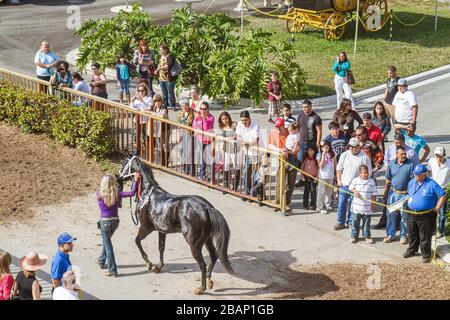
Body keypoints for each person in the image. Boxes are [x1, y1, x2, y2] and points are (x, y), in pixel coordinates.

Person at [97, 173, 140, 276]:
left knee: (108, 246)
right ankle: (102, 260)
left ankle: (112, 270)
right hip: (115, 222)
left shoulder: (99, 194)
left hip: (105, 222)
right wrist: (135, 180)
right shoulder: (118, 193)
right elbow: (132, 193)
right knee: (106, 242)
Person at [403, 164, 447, 263]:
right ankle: (412, 250)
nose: (416, 176)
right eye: (415, 174)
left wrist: (437, 208)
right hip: (411, 213)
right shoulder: (411, 182)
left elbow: (443, 195)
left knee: (425, 236)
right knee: (412, 234)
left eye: (418, 175)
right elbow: (409, 194)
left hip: (426, 215)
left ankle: (426, 254)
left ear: (424, 174)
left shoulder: (431, 184)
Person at [335, 137, 372, 230]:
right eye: (350, 146)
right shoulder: (344, 155)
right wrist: (339, 181)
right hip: (345, 185)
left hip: (357, 187)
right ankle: (340, 222)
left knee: (353, 206)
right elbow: (339, 169)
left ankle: (351, 222)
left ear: (359, 146)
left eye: (354, 146)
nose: (352, 148)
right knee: (341, 204)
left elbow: (369, 172)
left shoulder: (364, 157)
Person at [383, 146, 415, 244]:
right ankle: (390, 234)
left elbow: (413, 181)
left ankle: (403, 236)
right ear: (396, 154)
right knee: (390, 215)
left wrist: (412, 194)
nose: (404, 155)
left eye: (405, 154)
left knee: (404, 217)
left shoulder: (410, 164)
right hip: (392, 194)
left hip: (405, 195)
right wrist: (385, 192)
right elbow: (388, 179)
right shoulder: (391, 164)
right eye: (402, 154)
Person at [296, 99, 322, 188]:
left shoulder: (316, 117)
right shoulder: (300, 116)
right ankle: (302, 178)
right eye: (303, 107)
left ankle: (315, 179)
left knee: (313, 162)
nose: (304, 109)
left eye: (306, 107)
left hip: (312, 144)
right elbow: (298, 128)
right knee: (300, 161)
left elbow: (319, 131)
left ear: (310, 107)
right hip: (302, 143)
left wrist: (317, 143)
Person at [349, 165, 377, 244]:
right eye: (364, 173)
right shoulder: (356, 180)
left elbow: (374, 194)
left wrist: (373, 203)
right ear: (360, 174)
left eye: (367, 173)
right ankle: (354, 236)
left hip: (367, 208)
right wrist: (355, 191)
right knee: (355, 222)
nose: (366, 175)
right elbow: (350, 187)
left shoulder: (371, 181)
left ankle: (367, 236)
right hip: (356, 207)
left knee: (366, 223)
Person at [235, 111, 260, 196]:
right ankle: (247, 191)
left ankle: (255, 191)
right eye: (242, 120)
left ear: (249, 119)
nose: (243, 122)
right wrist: (240, 140)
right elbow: (238, 136)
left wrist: (246, 143)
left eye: (245, 120)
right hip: (246, 152)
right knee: (246, 173)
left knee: (256, 174)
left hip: (256, 153)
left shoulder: (255, 126)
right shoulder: (239, 124)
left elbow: (255, 141)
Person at [428, 147, 450, 238]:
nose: (438, 158)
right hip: (432, 190)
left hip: (443, 190)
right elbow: (428, 173)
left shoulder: (449, 163)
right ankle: (432, 229)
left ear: (444, 155)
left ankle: (440, 230)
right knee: (432, 211)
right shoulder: (431, 161)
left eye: (440, 156)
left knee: (442, 213)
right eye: (437, 155)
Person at [192, 102, 215, 181]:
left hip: (208, 141)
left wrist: (203, 118)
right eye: (201, 109)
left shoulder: (211, 117)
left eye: (204, 109)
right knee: (201, 159)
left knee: (208, 159)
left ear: (208, 109)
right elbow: (194, 126)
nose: (202, 111)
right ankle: (203, 175)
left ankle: (211, 176)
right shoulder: (198, 116)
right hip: (200, 139)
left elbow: (206, 128)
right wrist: (196, 119)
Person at [217, 111, 239, 190]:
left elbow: (238, 135)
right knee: (226, 165)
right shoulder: (221, 126)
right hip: (225, 148)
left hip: (234, 148)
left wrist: (232, 138)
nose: (224, 120)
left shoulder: (234, 125)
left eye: (226, 118)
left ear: (229, 118)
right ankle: (226, 184)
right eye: (222, 119)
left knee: (236, 166)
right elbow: (221, 137)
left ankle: (235, 185)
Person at [283, 122, 300, 213]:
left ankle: (287, 200)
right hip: (286, 152)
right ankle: (282, 200)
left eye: (291, 130)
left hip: (291, 155)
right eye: (289, 130)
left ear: (295, 130)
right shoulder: (290, 135)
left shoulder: (296, 135)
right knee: (283, 181)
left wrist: (292, 150)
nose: (289, 132)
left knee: (291, 182)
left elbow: (296, 144)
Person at [154, 44, 177, 111]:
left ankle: (173, 105)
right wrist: (157, 70)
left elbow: (169, 66)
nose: (160, 51)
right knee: (164, 92)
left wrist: (159, 69)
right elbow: (159, 65)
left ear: (165, 50)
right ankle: (165, 105)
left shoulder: (170, 56)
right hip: (161, 77)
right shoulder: (161, 56)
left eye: (161, 50)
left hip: (169, 78)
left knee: (170, 92)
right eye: (160, 50)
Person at [130, 83, 153, 150]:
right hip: (136, 120)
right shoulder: (136, 99)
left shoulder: (149, 98)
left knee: (145, 136)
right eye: (139, 90)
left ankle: (146, 150)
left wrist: (142, 101)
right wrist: (132, 101)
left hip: (145, 121)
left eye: (142, 90)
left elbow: (149, 108)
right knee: (135, 136)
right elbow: (131, 109)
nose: (140, 92)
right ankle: (139, 149)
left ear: (146, 91)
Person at [317, 140, 336, 214]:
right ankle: (320, 207)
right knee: (321, 191)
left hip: (330, 175)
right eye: (323, 147)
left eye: (326, 146)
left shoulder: (332, 153)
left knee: (329, 191)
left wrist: (335, 174)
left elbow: (335, 164)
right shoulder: (319, 154)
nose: (325, 148)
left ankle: (327, 204)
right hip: (323, 176)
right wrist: (323, 155)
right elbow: (321, 166)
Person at [178, 99, 196, 175]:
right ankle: (185, 168)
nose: (184, 107)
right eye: (183, 105)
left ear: (189, 105)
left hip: (191, 135)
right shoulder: (180, 113)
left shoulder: (193, 113)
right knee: (184, 152)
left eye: (186, 105)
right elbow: (179, 124)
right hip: (183, 134)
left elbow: (194, 124)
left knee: (190, 153)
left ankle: (191, 170)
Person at [300, 145, 319, 211]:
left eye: (311, 150)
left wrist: (317, 178)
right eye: (308, 150)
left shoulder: (316, 158)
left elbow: (318, 168)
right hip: (306, 177)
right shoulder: (305, 158)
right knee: (306, 191)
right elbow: (302, 168)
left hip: (314, 177)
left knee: (313, 191)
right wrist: (302, 176)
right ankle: (305, 204)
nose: (310, 152)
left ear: (314, 151)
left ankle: (313, 204)